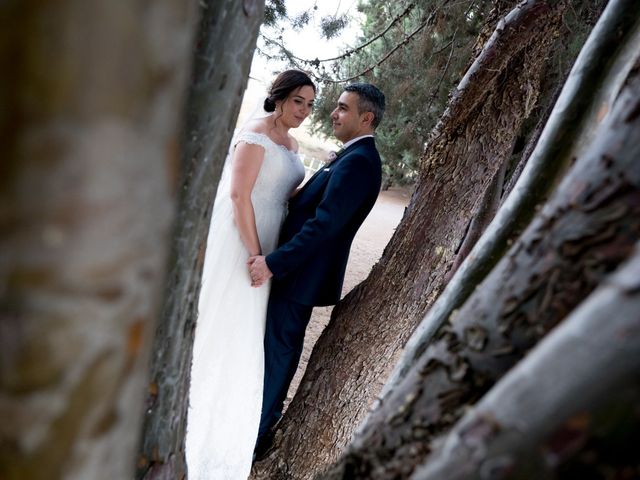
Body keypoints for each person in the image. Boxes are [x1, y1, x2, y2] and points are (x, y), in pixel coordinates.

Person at [185, 70, 316, 479]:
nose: (305, 111)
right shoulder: (255, 133)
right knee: (217, 321)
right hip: (242, 241)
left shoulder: (293, 145)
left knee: (241, 334)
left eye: (311, 105)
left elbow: (278, 192)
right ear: (279, 97)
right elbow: (240, 194)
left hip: (270, 242)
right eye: (299, 101)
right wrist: (257, 254)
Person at [249, 83, 386, 457]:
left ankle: (257, 437)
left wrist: (273, 263)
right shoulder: (351, 157)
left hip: (300, 276)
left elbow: (323, 225)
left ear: (366, 118)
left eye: (343, 108)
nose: (333, 113)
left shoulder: (360, 162)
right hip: (299, 274)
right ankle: (262, 421)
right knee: (279, 348)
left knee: (279, 351)